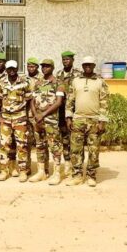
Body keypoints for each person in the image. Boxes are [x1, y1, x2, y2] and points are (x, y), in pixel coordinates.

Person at [65, 56, 109, 187]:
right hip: (78, 119)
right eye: (85, 65)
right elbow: (70, 101)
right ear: (82, 66)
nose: (87, 67)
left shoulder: (100, 82)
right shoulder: (75, 81)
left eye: (90, 65)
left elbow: (105, 102)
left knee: (93, 150)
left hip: (94, 120)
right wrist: (68, 118)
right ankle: (77, 176)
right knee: (75, 150)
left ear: (94, 66)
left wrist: (102, 121)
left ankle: (91, 176)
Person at [29, 59, 66, 185]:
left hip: (51, 120)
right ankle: (41, 172)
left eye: (47, 66)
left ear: (53, 68)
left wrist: (43, 114)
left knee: (54, 146)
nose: (44, 68)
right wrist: (35, 115)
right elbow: (32, 101)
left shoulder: (58, 83)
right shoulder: (38, 83)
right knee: (40, 146)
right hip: (38, 120)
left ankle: (56, 173)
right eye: (43, 66)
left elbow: (59, 102)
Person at [0, 60, 33, 182]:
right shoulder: (1, 83)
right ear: (6, 70)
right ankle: (4, 170)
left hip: (20, 119)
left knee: (22, 145)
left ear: (17, 68)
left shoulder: (25, 82)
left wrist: (25, 116)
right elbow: (1, 97)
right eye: (9, 69)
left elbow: (29, 99)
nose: (11, 71)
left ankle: (22, 170)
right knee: (4, 145)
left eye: (13, 68)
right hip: (5, 119)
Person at [56, 50, 81, 178]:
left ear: (72, 60)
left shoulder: (78, 74)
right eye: (64, 59)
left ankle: (75, 165)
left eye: (68, 59)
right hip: (61, 111)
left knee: (75, 138)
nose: (65, 61)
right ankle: (67, 164)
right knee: (64, 138)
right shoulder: (59, 74)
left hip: (74, 110)